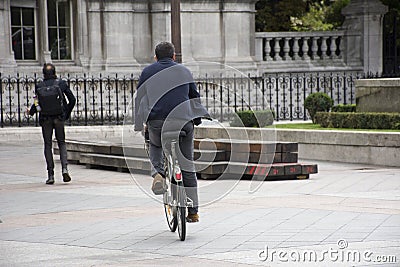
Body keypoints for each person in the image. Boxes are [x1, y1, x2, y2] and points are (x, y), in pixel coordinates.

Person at [134, 42, 209, 223]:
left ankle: (158, 173)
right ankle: (193, 212)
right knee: (187, 165)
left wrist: (139, 123)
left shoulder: (148, 72)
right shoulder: (184, 71)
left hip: (158, 122)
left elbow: (140, 99)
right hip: (183, 122)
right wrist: (196, 119)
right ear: (174, 56)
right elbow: (194, 97)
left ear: (156, 57)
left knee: (154, 144)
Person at [27, 63, 76, 185]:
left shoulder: (39, 86)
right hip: (59, 118)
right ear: (55, 72)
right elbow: (72, 100)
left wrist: (31, 112)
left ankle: (50, 175)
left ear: (44, 73)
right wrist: (66, 114)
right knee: (62, 143)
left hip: (46, 119)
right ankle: (64, 169)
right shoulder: (61, 84)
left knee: (47, 144)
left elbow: (37, 104)